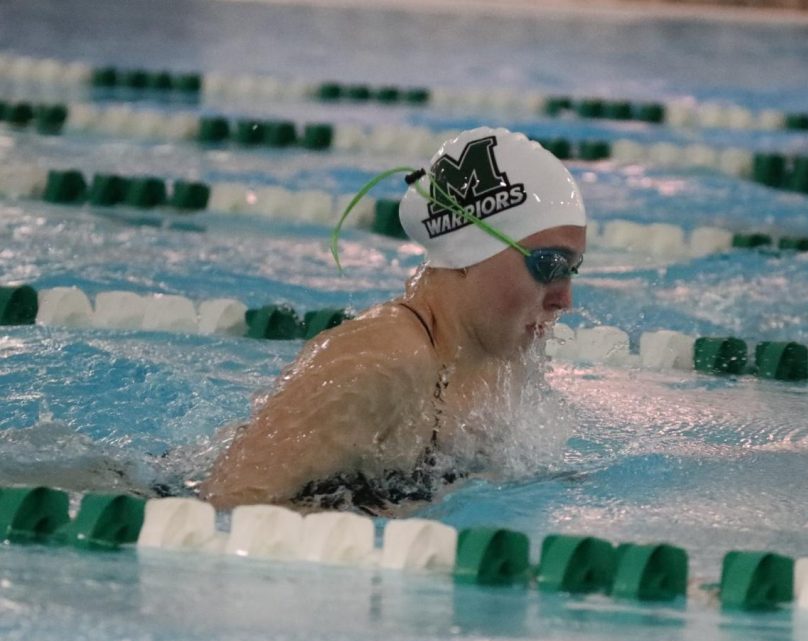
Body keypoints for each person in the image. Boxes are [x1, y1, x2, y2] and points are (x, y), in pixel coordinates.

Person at [200, 127, 587, 512]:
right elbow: (227, 503)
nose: (564, 299)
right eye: (549, 265)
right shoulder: (378, 364)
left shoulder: (504, 358)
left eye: (572, 269)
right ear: (468, 252)